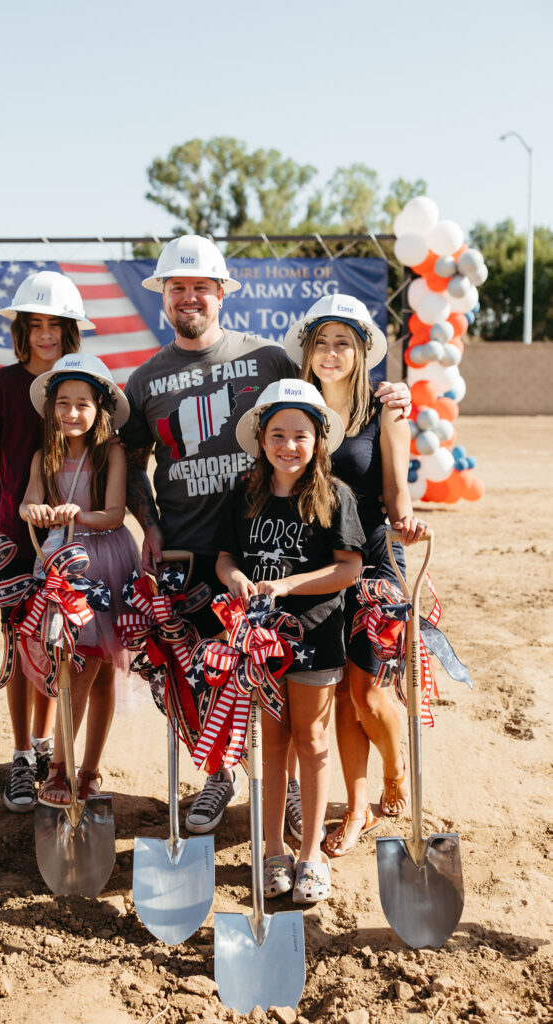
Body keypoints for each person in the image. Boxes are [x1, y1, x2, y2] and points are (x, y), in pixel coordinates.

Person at [120, 234, 411, 834]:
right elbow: (129, 458)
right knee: (207, 674)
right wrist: (148, 524)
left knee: (295, 678)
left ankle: (301, 788)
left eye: (202, 286)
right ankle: (217, 777)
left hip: (276, 552)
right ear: (163, 297)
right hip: (194, 550)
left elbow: (322, 397)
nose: (190, 297)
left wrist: (391, 391)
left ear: (222, 293)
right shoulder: (145, 380)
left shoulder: (269, 359)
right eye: (178, 287)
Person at [283, 293, 429, 857]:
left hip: (373, 559)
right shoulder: (297, 405)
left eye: (343, 341)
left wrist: (407, 517)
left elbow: (396, 489)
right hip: (316, 563)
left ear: (364, 351)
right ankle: (359, 805)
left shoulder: (386, 409)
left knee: (366, 695)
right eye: (321, 341)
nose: (331, 352)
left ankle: (394, 771)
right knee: (337, 692)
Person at [215, 379, 365, 903]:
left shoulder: (335, 496)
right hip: (260, 642)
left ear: (319, 440)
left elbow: (348, 570)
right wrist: (235, 578)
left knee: (314, 741)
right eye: (277, 433)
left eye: (300, 434)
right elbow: (225, 557)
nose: (288, 445)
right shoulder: (245, 492)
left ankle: (312, 854)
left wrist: (286, 585)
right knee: (272, 743)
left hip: (316, 639)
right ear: (260, 438)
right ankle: (274, 848)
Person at [0, 271, 94, 811]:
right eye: (34, 325)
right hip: (15, 538)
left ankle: (43, 745)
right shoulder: (3, 385)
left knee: (55, 644)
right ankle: (20, 754)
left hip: (75, 540)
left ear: (70, 330)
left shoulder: (83, 383)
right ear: (22, 331)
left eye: (54, 325)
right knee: (19, 645)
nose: (44, 335)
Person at [20, 353, 139, 805]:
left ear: (100, 409)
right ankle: (61, 766)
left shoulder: (111, 453)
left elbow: (112, 514)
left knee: (103, 667)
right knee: (73, 667)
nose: (72, 413)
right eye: (64, 403)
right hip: (62, 564)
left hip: (105, 563)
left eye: (83, 404)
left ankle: (85, 770)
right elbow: (27, 503)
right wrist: (35, 510)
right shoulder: (43, 455)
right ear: (52, 408)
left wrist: (76, 514)